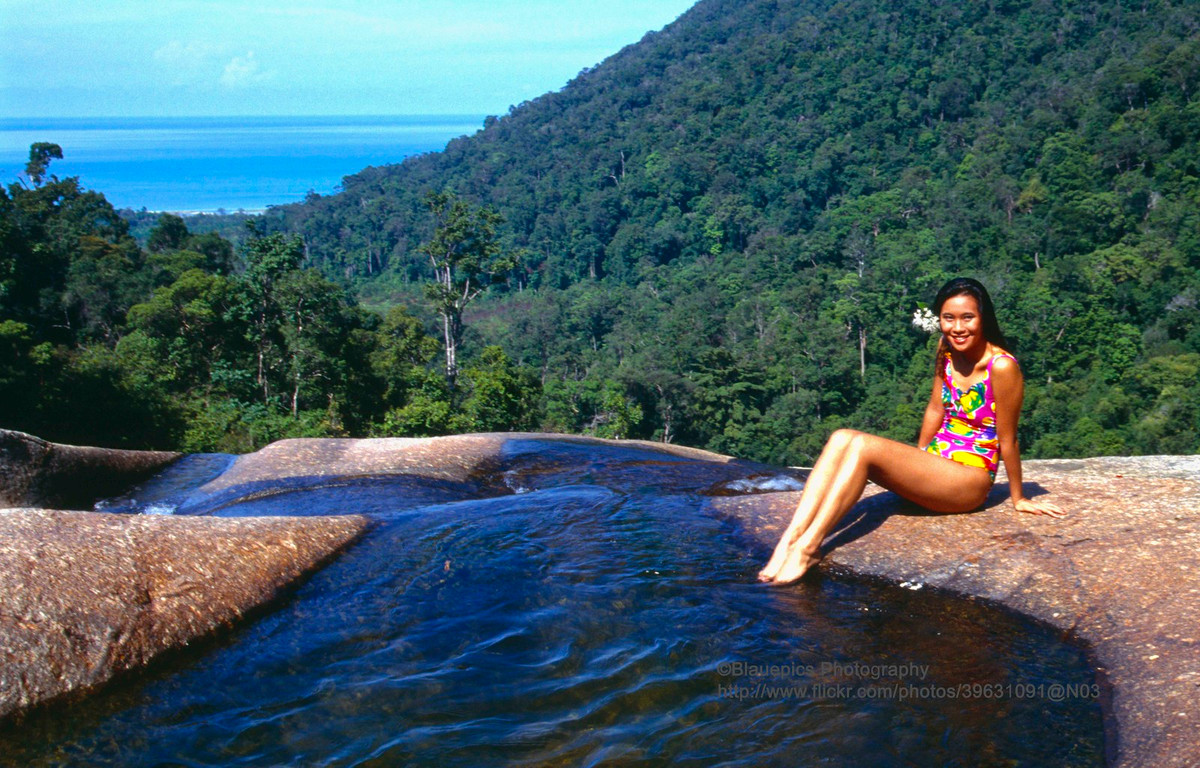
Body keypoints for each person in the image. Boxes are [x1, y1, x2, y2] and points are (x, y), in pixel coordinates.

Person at [758, 277, 1065, 584]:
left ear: (984, 318)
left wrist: (1019, 498)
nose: (958, 328)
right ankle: (790, 540)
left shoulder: (1001, 367)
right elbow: (935, 407)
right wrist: (918, 458)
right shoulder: (946, 349)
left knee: (863, 446)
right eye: (949, 318)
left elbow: (1007, 437)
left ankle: (809, 548)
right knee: (841, 437)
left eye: (967, 318)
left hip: (970, 480)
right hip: (938, 466)